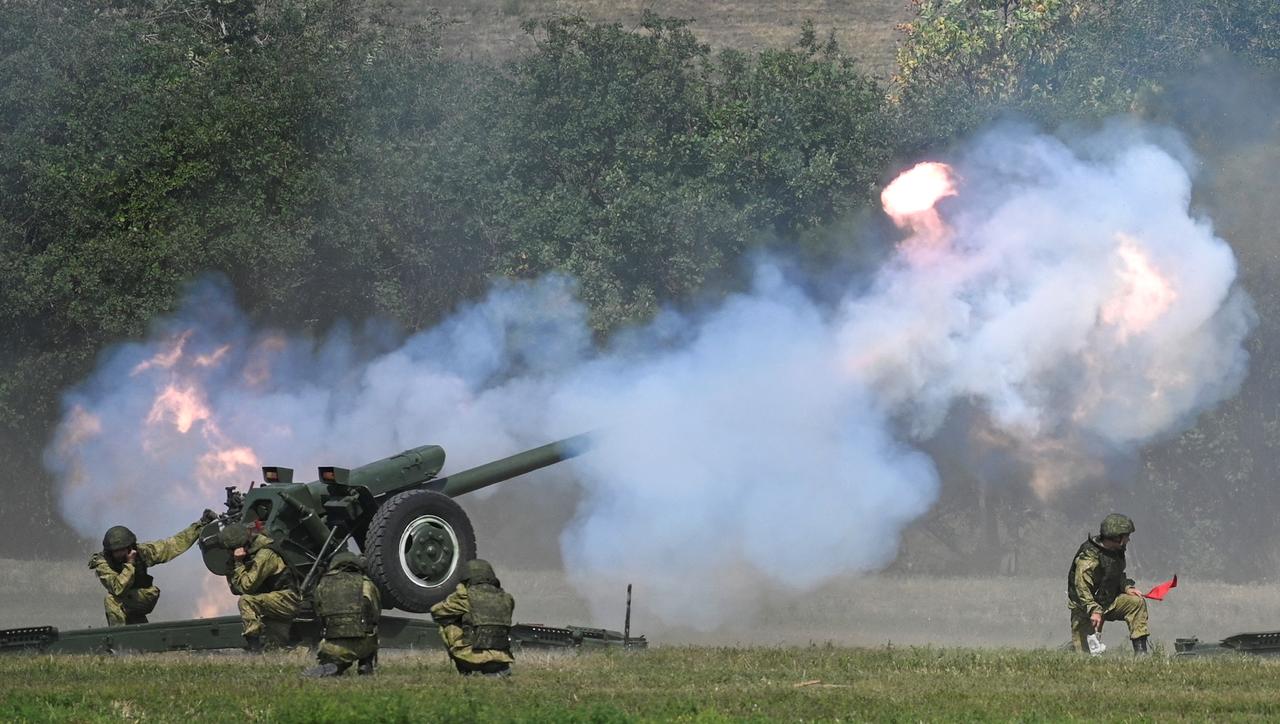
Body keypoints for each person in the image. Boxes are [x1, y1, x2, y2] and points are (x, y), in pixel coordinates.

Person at [89, 510, 217, 626]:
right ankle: (136, 640)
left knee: (112, 601)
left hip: (145, 596)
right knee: (116, 600)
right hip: (127, 598)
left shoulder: (142, 552)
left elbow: (171, 545)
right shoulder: (103, 564)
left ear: (130, 547)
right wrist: (129, 564)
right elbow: (118, 588)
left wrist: (201, 525)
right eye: (115, 551)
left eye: (122, 550)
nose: (118, 554)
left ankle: (118, 642)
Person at [1067, 513, 1150, 654]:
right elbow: (1081, 587)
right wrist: (1094, 610)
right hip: (1085, 607)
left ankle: (1141, 654)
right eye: (1126, 536)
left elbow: (1115, 573)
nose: (1128, 539)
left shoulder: (1116, 551)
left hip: (1108, 601)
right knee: (1086, 656)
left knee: (1136, 603)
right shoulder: (1089, 558)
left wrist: (1126, 587)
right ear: (1117, 537)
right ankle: (1073, 649)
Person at [219, 522, 301, 651]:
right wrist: (233, 565)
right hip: (273, 603)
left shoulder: (265, 554)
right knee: (274, 651)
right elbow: (236, 589)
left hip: (288, 600)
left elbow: (246, 588)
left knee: (246, 601)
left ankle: (254, 649)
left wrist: (239, 563)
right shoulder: (250, 554)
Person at [429, 559, 515, 676]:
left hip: (474, 658)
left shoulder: (466, 596)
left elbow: (436, 612)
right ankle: (499, 670)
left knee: (446, 625)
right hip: (503, 657)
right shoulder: (507, 598)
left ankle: (465, 671)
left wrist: (458, 592)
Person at [303, 551, 381, 677]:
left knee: (335, 655)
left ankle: (334, 665)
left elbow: (319, 613)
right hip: (363, 645)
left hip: (331, 646)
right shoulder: (366, 583)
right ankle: (365, 665)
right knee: (372, 629)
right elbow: (375, 614)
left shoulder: (323, 584)